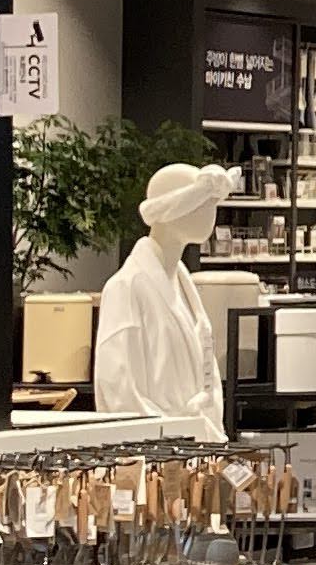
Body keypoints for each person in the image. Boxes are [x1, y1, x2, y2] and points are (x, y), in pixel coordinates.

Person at [93, 157, 236, 440]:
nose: (211, 213)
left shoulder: (184, 285)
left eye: (213, 203)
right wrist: (173, 437)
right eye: (202, 202)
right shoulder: (126, 287)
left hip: (198, 446)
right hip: (158, 451)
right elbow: (120, 393)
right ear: (169, 208)